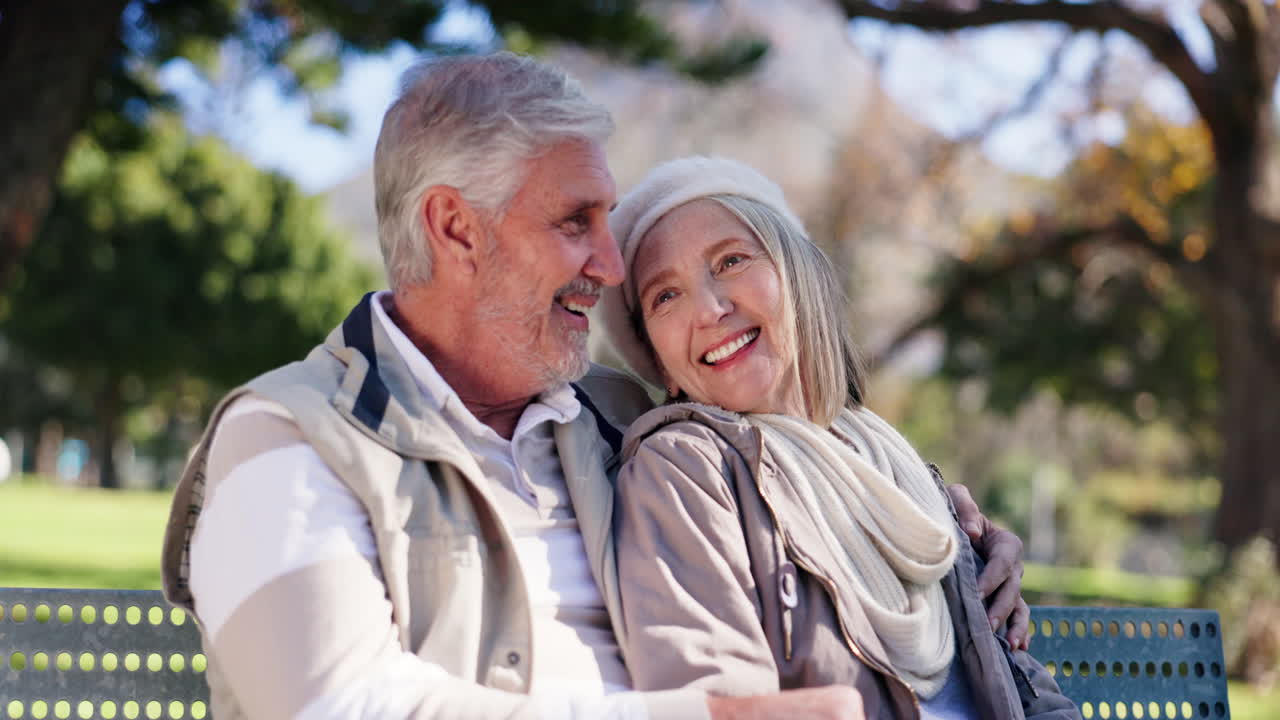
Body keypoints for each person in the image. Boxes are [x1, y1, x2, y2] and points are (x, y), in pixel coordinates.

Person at [160, 53, 1027, 720]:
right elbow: (336, 706)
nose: (610, 268)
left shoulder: (612, 417)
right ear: (456, 228)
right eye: (575, 222)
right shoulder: (289, 441)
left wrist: (950, 534)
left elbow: (790, 463)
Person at [601, 156, 1079, 719]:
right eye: (665, 296)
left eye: (730, 261)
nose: (709, 308)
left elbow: (1024, 692)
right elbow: (717, 699)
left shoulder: (893, 464)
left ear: (797, 271)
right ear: (658, 360)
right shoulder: (683, 470)